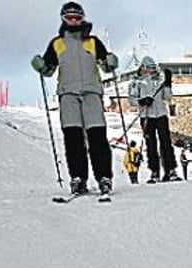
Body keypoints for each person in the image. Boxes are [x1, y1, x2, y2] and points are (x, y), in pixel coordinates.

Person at [31, 2, 118, 197]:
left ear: (82, 18)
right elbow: (49, 70)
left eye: (77, 17)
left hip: (91, 93)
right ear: (63, 19)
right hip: (68, 93)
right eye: (69, 18)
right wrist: (41, 66)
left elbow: (106, 66)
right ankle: (78, 178)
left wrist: (111, 62)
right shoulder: (57, 43)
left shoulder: (93, 42)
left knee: (97, 137)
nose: (73, 21)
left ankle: (104, 177)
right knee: (73, 138)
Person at [128, 56, 180, 183]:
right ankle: (154, 171)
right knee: (151, 145)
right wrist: (142, 100)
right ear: (142, 68)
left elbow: (167, 97)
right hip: (146, 116)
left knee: (166, 143)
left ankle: (170, 170)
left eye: (153, 68)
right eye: (148, 68)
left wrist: (168, 84)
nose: (151, 71)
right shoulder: (136, 82)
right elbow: (131, 100)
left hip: (161, 114)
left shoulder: (159, 81)